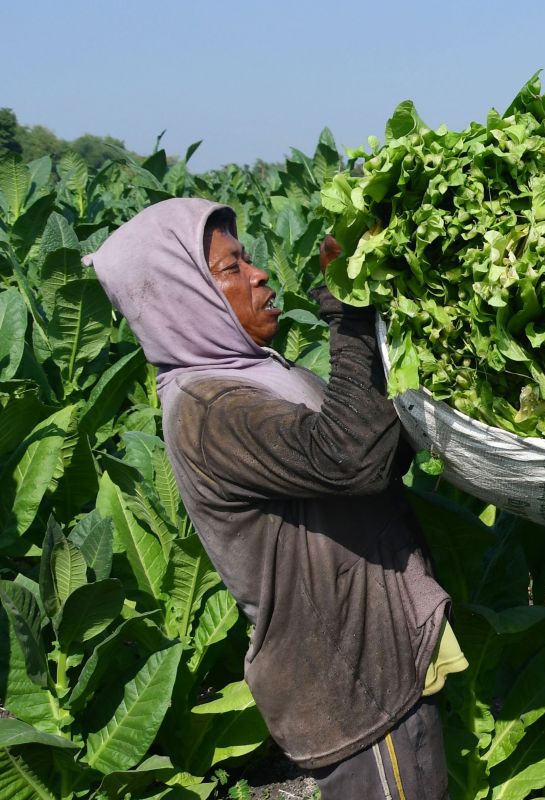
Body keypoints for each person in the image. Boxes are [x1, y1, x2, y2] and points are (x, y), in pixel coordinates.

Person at [87, 198, 464, 800]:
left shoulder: (261, 373)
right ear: (182, 297)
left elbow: (380, 451)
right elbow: (351, 459)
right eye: (230, 269)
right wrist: (349, 312)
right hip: (352, 682)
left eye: (248, 259)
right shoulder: (211, 410)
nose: (259, 273)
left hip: (376, 658)